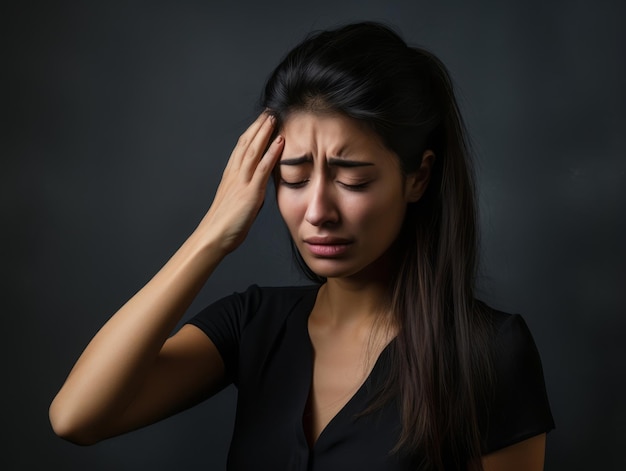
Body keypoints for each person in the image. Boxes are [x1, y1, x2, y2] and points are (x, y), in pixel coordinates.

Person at [49, 22, 554, 470]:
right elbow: (77, 417)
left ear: (418, 178)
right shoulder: (253, 323)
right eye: (292, 177)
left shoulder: (487, 353)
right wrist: (211, 234)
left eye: (352, 180)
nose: (318, 211)